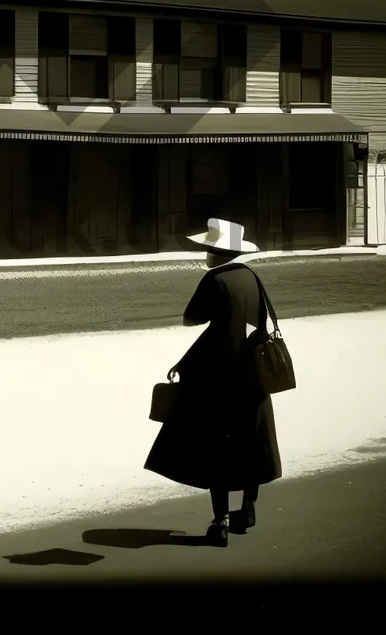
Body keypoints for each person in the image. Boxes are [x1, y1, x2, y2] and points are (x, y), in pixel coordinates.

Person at [144, 217, 282, 547]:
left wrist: (184, 363)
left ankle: (219, 521)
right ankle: (245, 513)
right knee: (250, 445)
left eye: (208, 247)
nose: (205, 252)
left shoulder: (214, 279)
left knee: (216, 450)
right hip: (252, 376)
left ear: (217, 251)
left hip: (220, 378)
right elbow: (264, 321)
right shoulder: (252, 276)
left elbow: (194, 319)